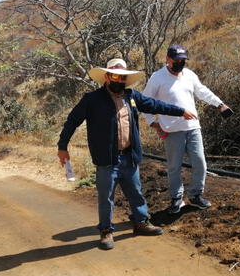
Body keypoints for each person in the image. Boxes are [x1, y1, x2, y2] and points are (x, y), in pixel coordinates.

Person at [57, 58, 198, 250]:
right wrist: (62, 147)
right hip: (107, 160)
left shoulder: (131, 96)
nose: (119, 80)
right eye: (115, 76)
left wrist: (180, 111)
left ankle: (141, 222)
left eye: (123, 77)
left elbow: (155, 105)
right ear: (107, 77)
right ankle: (106, 231)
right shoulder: (92, 99)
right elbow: (72, 121)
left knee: (136, 192)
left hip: (129, 156)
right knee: (106, 197)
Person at [142, 44, 232, 214]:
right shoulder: (157, 78)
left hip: (192, 128)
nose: (180, 62)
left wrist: (220, 104)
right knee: (174, 167)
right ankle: (176, 199)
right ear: (168, 59)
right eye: (177, 60)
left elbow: (202, 92)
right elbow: (144, 103)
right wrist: (154, 124)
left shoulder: (189, 75)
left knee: (200, 163)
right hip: (171, 130)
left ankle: (196, 195)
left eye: (183, 60)